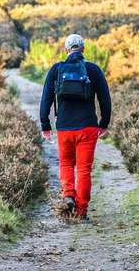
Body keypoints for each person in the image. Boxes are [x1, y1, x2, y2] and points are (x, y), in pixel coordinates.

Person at [40, 33, 111, 219]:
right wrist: (104, 123)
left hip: (64, 128)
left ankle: (68, 195)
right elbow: (105, 99)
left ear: (66, 50)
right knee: (84, 169)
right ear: (83, 49)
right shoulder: (93, 69)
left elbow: (46, 99)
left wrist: (45, 125)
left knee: (65, 163)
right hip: (87, 127)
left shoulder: (56, 69)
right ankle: (81, 212)